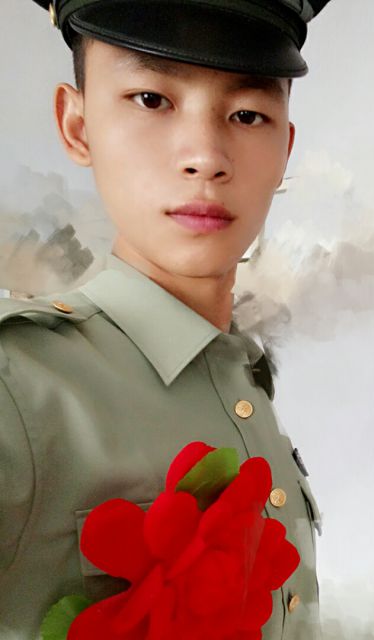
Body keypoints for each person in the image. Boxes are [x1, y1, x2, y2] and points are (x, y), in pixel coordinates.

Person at [0, 1, 329, 638]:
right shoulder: (20, 389)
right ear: (77, 126)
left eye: (247, 114)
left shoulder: (246, 383)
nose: (206, 156)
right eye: (151, 99)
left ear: (284, 149)